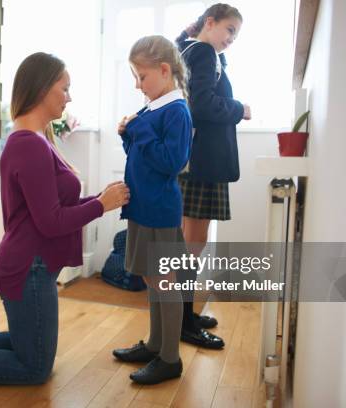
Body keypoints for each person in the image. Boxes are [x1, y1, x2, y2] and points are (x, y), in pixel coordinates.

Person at [0, 52, 130, 385]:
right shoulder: (28, 145)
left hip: (30, 263)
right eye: (65, 88)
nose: (69, 96)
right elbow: (51, 222)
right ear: (43, 88)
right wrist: (101, 205)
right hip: (27, 267)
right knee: (35, 367)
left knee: (26, 345)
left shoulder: (33, 140)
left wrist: (100, 199)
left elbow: (53, 207)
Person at [111, 35, 192, 385]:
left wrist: (140, 129)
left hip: (160, 209)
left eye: (141, 77)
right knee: (149, 276)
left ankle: (170, 358)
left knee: (164, 282)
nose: (137, 85)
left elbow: (172, 161)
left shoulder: (177, 110)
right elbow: (143, 152)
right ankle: (157, 343)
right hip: (143, 206)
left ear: (163, 70)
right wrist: (128, 135)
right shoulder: (154, 107)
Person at [175, 3, 251, 349]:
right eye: (230, 29)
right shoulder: (204, 52)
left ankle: (184, 314)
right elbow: (201, 104)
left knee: (190, 242)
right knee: (192, 244)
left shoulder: (195, 50)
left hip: (200, 160)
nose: (232, 38)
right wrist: (240, 109)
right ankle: (184, 321)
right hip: (202, 161)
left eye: (236, 33)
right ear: (210, 22)